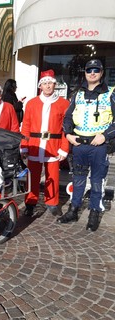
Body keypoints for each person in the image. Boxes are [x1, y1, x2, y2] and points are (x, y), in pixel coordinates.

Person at [58, 59, 115, 231]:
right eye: (89, 70)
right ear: (85, 73)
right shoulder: (77, 94)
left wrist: (105, 136)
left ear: (102, 72)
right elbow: (68, 117)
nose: (92, 73)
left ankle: (94, 213)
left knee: (97, 181)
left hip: (99, 146)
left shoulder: (111, 93)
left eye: (96, 70)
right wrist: (68, 134)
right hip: (79, 145)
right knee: (78, 179)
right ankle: (74, 210)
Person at [20, 70, 69, 217]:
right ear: (40, 86)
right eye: (45, 83)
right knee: (32, 176)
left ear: (55, 84)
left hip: (54, 144)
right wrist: (24, 146)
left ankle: (52, 203)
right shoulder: (32, 103)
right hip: (35, 144)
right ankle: (30, 202)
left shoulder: (64, 104)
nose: (48, 86)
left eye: (50, 83)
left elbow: (66, 129)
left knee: (53, 176)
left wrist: (64, 148)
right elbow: (26, 126)